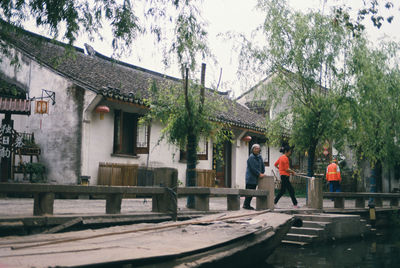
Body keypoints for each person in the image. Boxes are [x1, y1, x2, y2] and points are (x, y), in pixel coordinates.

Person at [243, 144, 266, 210]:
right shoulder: (251, 157)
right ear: (252, 150)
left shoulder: (259, 157)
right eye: (255, 148)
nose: (256, 150)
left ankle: (247, 204)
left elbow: (262, 166)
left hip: (256, 177)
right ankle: (246, 205)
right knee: (249, 192)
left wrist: (262, 172)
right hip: (250, 177)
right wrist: (259, 174)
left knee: (252, 191)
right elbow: (253, 168)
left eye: (258, 148)